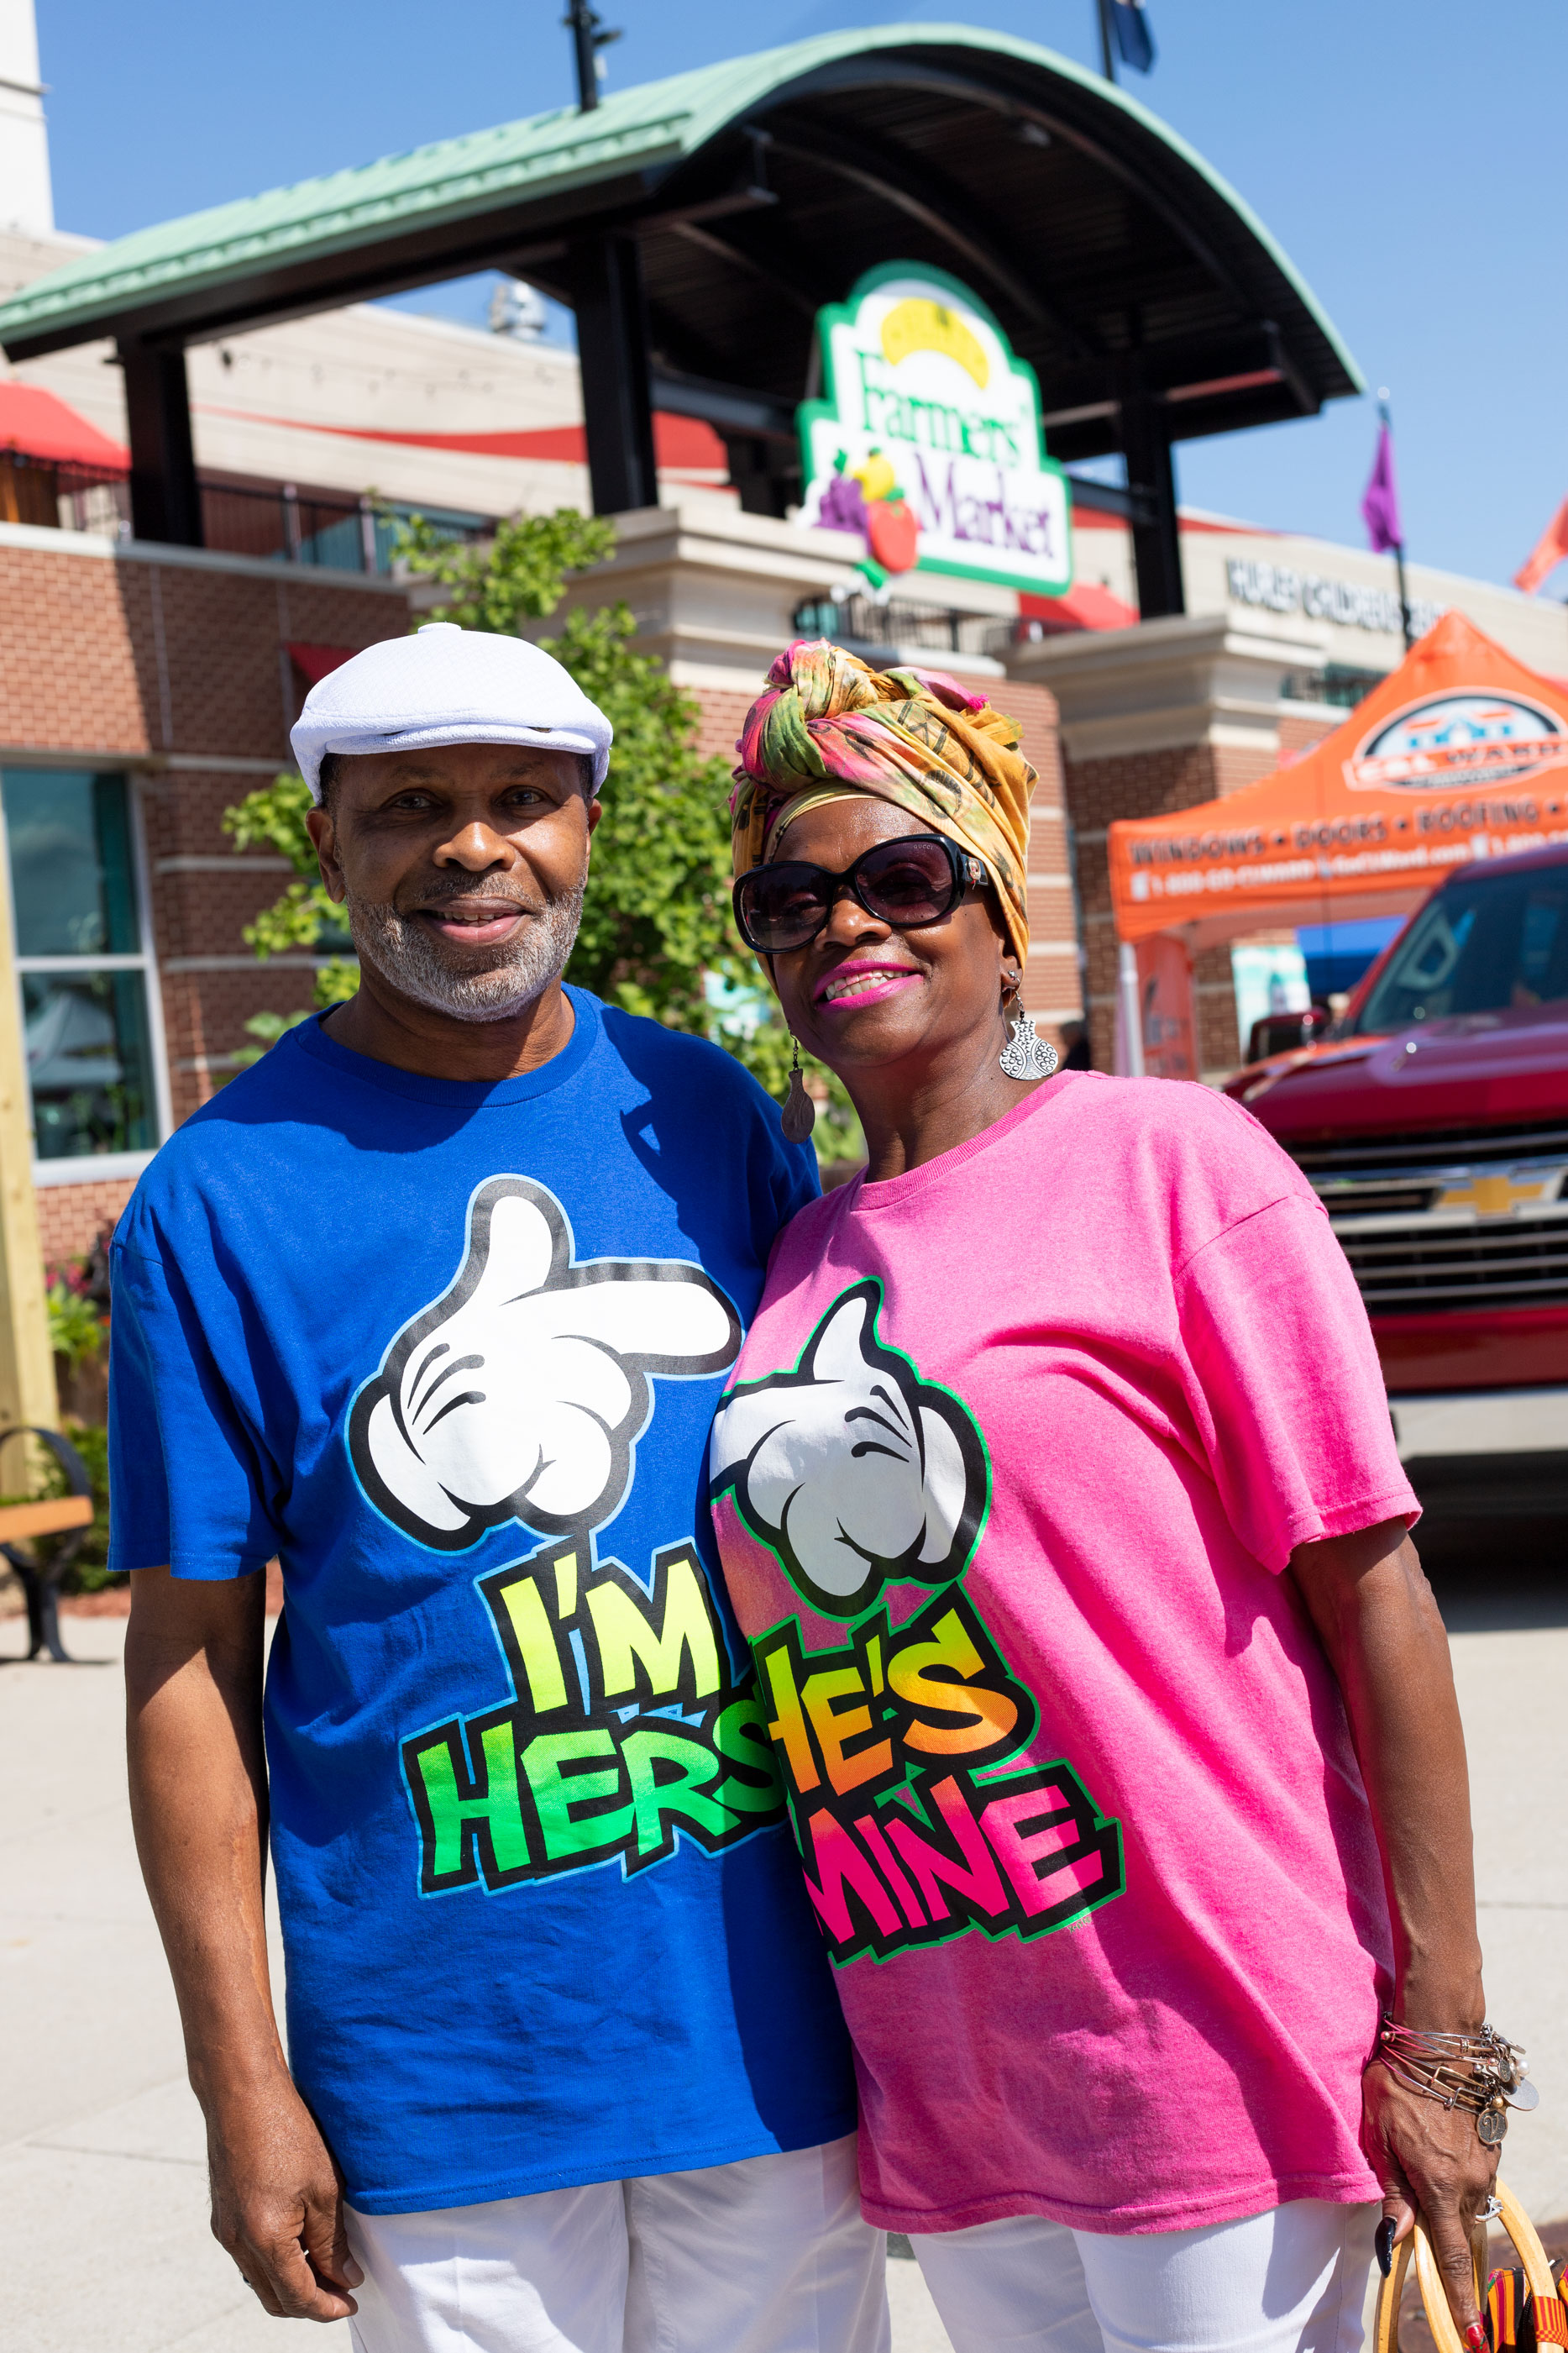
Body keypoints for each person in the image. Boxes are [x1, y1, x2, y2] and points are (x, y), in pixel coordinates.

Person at [707, 639, 1505, 2353]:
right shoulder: (791, 1257)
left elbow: (1377, 1598)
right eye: (791, 900)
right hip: (950, 2079)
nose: (846, 925)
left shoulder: (1175, 1164)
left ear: (1001, 919)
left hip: (1213, 2056)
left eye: (903, 877)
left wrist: (1444, 2037)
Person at [112, 623, 889, 2353]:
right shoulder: (217, 1198)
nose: (472, 845)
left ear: (588, 827)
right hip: (446, 2071)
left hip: (769, 2027)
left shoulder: (706, 1112)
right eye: (410, 806)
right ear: (328, 843)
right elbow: (187, 1660)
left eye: (521, 797)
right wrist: (240, 2079)